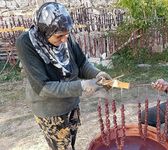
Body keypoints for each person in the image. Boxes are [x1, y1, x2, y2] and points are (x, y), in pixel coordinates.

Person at [15, 2, 111, 150]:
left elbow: (81, 64)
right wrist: (82, 85)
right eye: (59, 36)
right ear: (45, 32)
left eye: (67, 34)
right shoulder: (26, 43)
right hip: (50, 109)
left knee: (70, 142)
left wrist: (97, 74)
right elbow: (44, 87)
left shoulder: (65, 35)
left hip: (71, 104)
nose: (65, 39)